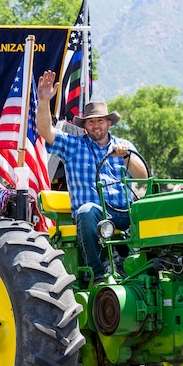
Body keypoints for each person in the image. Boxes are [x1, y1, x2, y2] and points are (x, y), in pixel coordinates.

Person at [36, 70, 148, 283]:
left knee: (151, 209)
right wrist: (44, 101)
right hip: (95, 216)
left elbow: (142, 177)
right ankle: (96, 275)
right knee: (87, 211)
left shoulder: (124, 146)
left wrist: (125, 157)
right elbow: (45, 130)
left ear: (109, 123)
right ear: (84, 126)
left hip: (124, 212)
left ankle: (150, 268)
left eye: (100, 121)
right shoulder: (73, 146)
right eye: (91, 122)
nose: (96, 125)